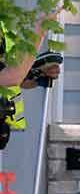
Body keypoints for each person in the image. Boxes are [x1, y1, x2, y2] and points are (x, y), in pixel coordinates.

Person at [0, 16, 62, 151]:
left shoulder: (5, 28)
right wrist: (39, 30)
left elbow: (18, 81)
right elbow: (10, 78)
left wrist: (38, 74)